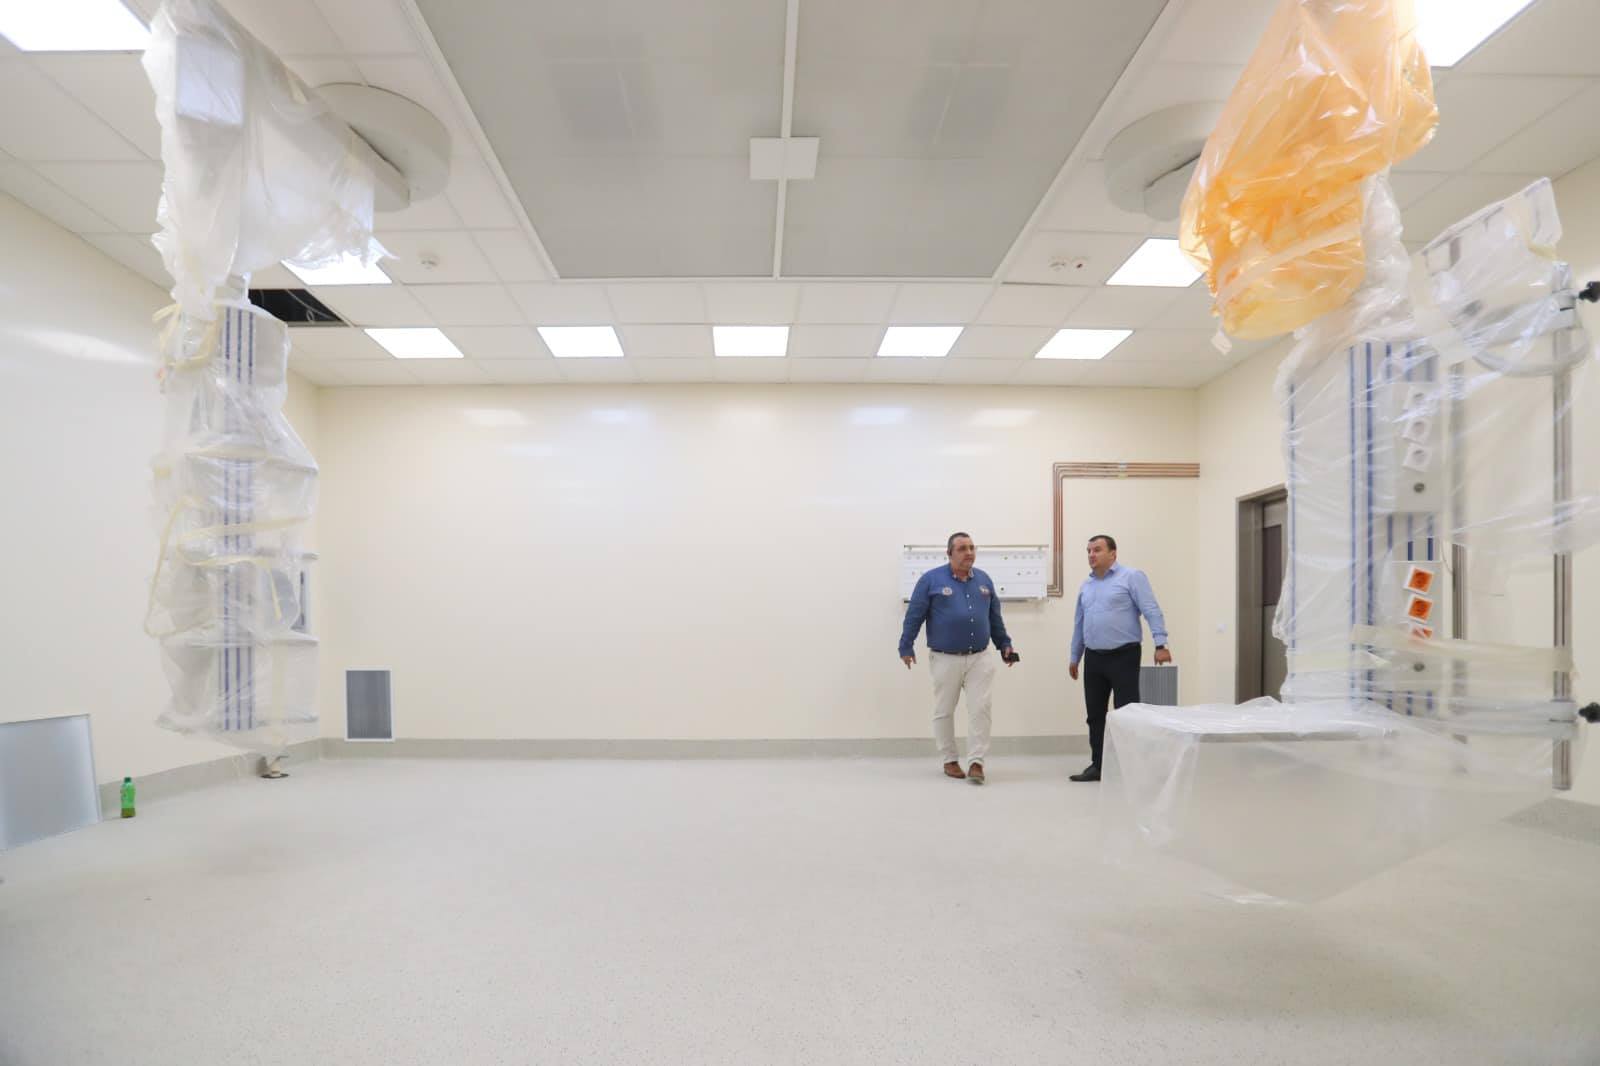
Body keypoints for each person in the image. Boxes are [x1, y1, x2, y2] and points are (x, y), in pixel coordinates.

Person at [898, 532, 1018, 785]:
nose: (969, 553)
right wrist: (906, 646)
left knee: (980, 709)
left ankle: (976, 762)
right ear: (949, 553)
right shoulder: (930, 580)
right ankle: (949, 759)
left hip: (980, 658)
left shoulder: (984, 580)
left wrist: (1005, 645)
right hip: (945, 658)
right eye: (962, 548)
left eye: (972, 547)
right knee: (944, 710)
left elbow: (994, 618)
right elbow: (914, 616)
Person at [1066, 534, 1170, 782]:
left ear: (1113, 553)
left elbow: (1151, 610)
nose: (1091, 555)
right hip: (1094, 658)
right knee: (1095, 715)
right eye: (1088, 551)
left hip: (1124, 655)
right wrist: (1075, 656)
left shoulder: (1131, 577)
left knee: (1127, 714)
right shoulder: (1086, 586)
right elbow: (1080, 623)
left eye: (1097, 550)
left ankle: (1130, 767)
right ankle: (1099, 765)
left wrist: (1160, 643)